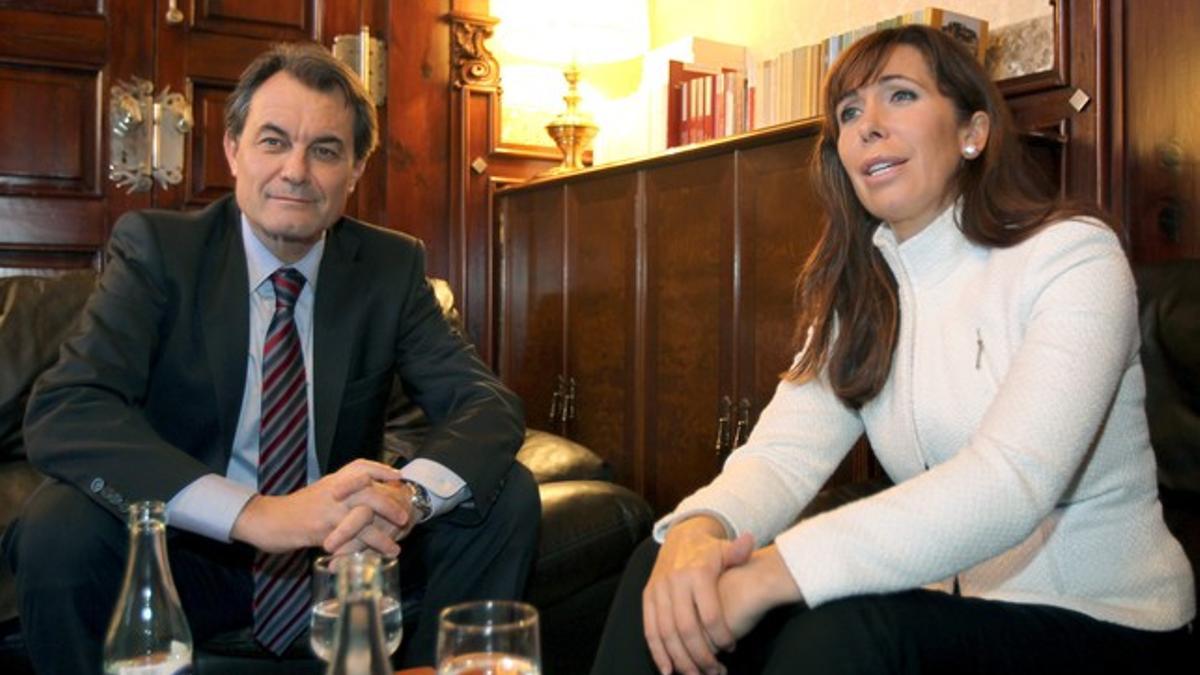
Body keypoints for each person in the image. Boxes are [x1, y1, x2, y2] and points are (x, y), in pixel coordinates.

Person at [591, 25, 1194, 675]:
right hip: (944, 605)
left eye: (899, 96)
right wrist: (699, 528)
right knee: (663, 569)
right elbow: (783, 455)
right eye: (849, 113)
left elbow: (1010, 481)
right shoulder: (861, 295)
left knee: (842, 634)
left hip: (1103, 620)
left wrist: (771, 572)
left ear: (973, 132)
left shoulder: (1073, 256)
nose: (867, 126)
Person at [2, 42, 539, 672]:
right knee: (57, 527)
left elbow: (486, 404)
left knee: (507, 494)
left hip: (347, 559)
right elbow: (68, 409)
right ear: (233, 151)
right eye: (273, 141)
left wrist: (405, 500)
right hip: (195, 555)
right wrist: (259, 516)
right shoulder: (160, 253)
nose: (296, 170)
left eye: (326, 150)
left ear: (356, 171)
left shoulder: (389, 269)